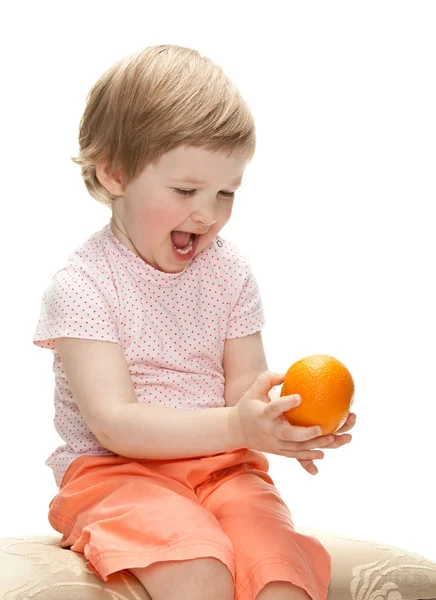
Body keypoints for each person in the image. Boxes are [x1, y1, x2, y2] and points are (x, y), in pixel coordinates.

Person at [33, 44, 356, 600]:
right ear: (114, 173)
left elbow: (244, 390)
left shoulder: (228, 270)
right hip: (116, 476)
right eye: (186, 191)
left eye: (226, 192)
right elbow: (115, 423)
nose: (208, 214)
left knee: (279, 574)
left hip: (224, 473)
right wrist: (236, 427)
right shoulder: (83, 284)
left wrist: (280, 424)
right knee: (200, 572)